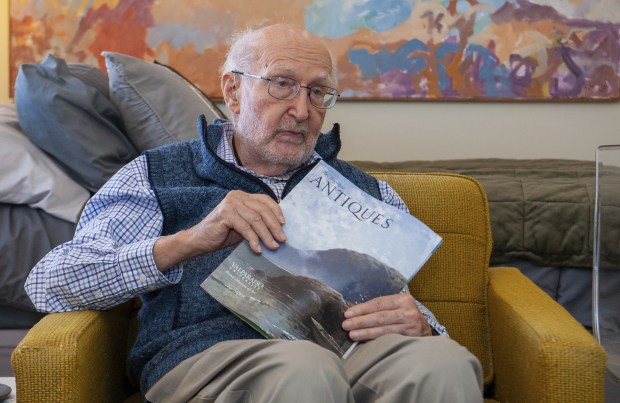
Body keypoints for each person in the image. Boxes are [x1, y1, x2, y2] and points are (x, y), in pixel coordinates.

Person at [26, 24, 483, 402]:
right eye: (282, 83)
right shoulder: (157, 175)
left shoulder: (367, 194)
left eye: (319, 92)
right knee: (303, 368)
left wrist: (422, 323)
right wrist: (189, 241)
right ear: (233, 90)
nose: (302, 110)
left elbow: (396, 302)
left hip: (351, 353)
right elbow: (50, 284)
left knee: (442, 360)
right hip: (207, 359)